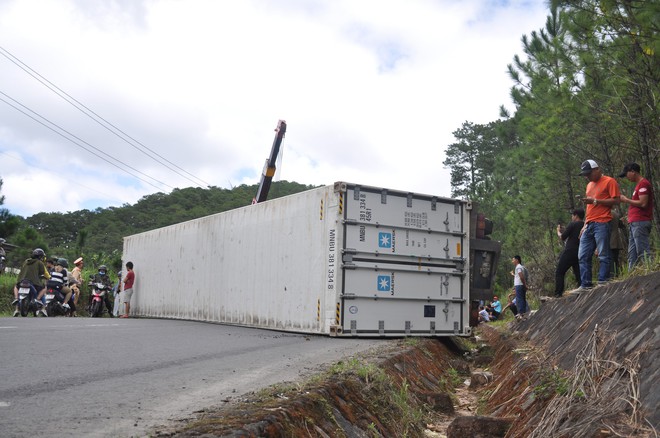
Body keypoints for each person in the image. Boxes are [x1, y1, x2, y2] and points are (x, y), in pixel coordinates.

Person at [577, 160, 620, 289]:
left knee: (603, 253)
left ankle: (603, 281)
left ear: (597, 170)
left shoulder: (609, 181)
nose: (587, 176)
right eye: (585, 174)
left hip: (602, 222)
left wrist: (595, 201)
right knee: (583, 255)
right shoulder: (589, 185)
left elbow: (617, 200)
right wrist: (585, 223)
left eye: (589, 173)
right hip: (589, 223)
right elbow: (590, 207)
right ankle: (586, 284)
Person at [618, 163, 654, 269]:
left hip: (640, 221)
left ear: (633, 171)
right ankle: (631, 275)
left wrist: (626, 200)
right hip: (635, 222)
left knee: (642, 251)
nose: (626, 177)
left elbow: (643, 203)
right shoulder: (638, 185)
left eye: (626, 174)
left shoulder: (643, 184)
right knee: (632, 253)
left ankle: (651, 271)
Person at [554, 208, 585, 297]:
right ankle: (582, 287)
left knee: (559, 272)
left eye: (572, 215)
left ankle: (558, 293)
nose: (572, 217)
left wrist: (558, 232)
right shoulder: (584, 225)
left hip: (569, 250)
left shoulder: (573, 224)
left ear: (576, 216)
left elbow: (563, 237)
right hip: (579, 250)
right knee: (578, 272)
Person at [12, 248, 50, 316]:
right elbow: (42, 272)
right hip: (34, 282)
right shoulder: (39, 262)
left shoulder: (26, 261)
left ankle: (16, 299)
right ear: (40, 257)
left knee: (16, 286)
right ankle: (38, 299)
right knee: (44, 288)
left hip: (21, 281)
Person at [609, 208, 625, 277]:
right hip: (616, 241)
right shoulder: (615, 213)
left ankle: (613, 277)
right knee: (615, 260)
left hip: (608, 241)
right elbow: (621, 225)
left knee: (610, 261)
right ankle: (617, 275)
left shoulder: (605, 214)